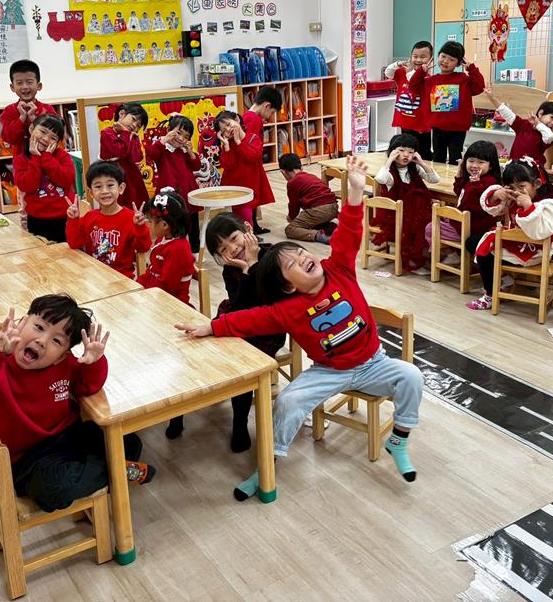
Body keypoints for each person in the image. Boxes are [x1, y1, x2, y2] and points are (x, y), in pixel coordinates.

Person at [176, 157, 425, 499]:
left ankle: (398, 441)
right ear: (288, 285)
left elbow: (350, 230)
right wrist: (210, 327)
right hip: (328, 371)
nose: (303, 258)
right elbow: (246, 319)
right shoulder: (286, 309)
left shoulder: (338, 269)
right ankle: (267, 467)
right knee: (287, 401)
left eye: (300, 253)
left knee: (412, 376)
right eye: (292, 264)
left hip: (372, 363)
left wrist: (355, 190)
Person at [0, 294, 155, 513]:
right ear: (22, 323)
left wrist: (94, 363)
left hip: (70, 436)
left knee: (129, 440)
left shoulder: (62, 364)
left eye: (57, 341)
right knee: (56, 489)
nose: (42, 341)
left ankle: (104, 469)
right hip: (29, 460)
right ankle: (116, 469)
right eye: (39, 327)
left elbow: (87, 386)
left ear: (62, 356)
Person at [203, 213, 287, 453]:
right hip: (242, 322)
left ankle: (238, 422)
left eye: (233, 238)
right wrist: (245, 270)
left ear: (248, 228)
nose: (233, 248)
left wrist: (252, 267)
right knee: (212, 346)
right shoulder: (230, 270)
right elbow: (240, 308)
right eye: (223, 248)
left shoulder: (274, 256)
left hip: (270, 328)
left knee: (243, 363)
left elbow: (272, 303)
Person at [466, 157, 553, 311]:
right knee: (473, 242)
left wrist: (528, 207)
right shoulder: (513, 197)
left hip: (536, 251)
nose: (516, 191)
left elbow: (540, 232)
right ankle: (504, 279)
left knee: (486, 252)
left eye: (522, 186)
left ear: (537, 184)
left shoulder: (549, 204)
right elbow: (493, 210)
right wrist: (496, 194)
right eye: (512, 187)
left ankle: (491, 294)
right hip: (515, 245)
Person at [138, 188, 197, 439]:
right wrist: (136, 286)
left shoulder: (179, 248)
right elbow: (151, 273)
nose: (148, 225)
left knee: (173, 364)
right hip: (157, 304)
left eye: (150, 222)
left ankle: (177, 413)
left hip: (174, 310)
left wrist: (144, 294)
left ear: (164, 225)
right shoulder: (163, 242)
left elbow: (167, 285)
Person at [65, 162, 151, 279]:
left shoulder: (131, 218)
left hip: (121, 279)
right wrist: (73, 220)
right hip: (93, 276)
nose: (104, 191)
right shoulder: (89, 217)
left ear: (121, 188)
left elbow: (143, 247)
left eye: (110, 185)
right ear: (91, 192)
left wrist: (140, 227)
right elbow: (74, 244)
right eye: (98, 187)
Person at [424, 140, 501, 267]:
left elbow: (474, 203)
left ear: (491, 165)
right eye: (471, 161)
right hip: (464, 224)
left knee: (430, 227)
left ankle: (452, 255)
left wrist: (475, 184)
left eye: (480, 162)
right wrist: (460, 172)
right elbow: (460, 192)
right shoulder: (475, 179)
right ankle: (452, 254)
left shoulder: (488, 182)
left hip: (472, 229)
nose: (474, 165)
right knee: (438, 219)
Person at [372, 133, 440, 275]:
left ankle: (425, 256)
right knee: (418, 225)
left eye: (410, 152)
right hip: (396, 216)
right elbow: (380, 179)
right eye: (401, 150)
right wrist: (389, 160)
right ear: (393, 151)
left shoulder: (414, 168)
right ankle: (413, 261)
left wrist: (421, 162)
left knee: (434, 221)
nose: (406, 155)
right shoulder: (390, 173)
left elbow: (435, 179)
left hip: (417, 212)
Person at [410, 40, 484, 165]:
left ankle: (456, 178)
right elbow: (413, 87)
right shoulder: (430, 81)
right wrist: (421, 71)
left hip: (458, 129)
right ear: (438, 56)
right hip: (438, 128)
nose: (445, 61)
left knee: (456, 158)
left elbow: (479, 87)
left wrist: (471, 69)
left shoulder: (463, 79)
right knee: (438, 158)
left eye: (451, 59)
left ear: (459, 63)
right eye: (443, 56)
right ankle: (438, 178)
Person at [13, 115, 75, 243]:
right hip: (37, 218)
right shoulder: (21, 159)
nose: (46, 139)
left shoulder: (62, 156)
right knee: (40, 253)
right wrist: (36, 158)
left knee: (68, 252)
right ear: (31, 128)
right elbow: (27, 186)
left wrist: (47, 158)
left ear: (58, 143)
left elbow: (67, 180)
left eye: (53, 138)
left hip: (65, 216)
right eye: (42, 131)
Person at [144, 114, 201, 252]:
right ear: (169, 130)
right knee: (172, 224)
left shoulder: (184, 151)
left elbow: (196, 166)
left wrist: (191, 152)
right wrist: (164, 140)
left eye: (186, 136)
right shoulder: (162, 149)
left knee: (193, 225)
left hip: (188, 192)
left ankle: (195, 251)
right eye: (178, 133)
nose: (181, 138)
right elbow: (151, 153)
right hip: (169, 194)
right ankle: (171, 249)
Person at [480, 86, 553, 165]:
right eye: (552, 117)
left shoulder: (546, 135)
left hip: (531, 171)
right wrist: (491, 97)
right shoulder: (523, 125)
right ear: (540, 113)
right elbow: (506, 112)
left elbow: (550, 136)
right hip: (515, 167)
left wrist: (538, 124)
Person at [214, 110, 267, 229]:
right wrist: (226, 146)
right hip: (234, 189)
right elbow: (228, 165)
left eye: (229, 124)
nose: (228, 130)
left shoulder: (253, 138)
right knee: (241, 220)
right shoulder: (228, 144)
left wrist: (238, 142)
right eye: (224, 130)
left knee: (247, 220)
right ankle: (246, 236)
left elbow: (252, 157)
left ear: (237, 119)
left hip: (250, 186)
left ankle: (249, 236)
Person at [241, 87, 282, 234]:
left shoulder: (247, 116)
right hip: (251, 164)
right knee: (251, 196)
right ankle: (252, 228)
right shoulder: (254, 119)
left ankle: (254, 226)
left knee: (253, 195)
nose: (270, 116)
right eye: (272, 112)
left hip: (251, 162)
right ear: (266, 105)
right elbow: (251, 144)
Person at [386, 41, 434, 158]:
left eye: (423, 57)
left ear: (430, 59)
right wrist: (398, 64)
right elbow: (388, 73)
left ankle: (424, 167)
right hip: (405, 122)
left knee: (423, 152)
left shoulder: (428, 79)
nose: (418, 60)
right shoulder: (402, 74)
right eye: (415, 56)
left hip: (421, 124)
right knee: (407, 151)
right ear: (410, 57)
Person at [279, 153, 339, 244]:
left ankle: (320, 236)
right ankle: (332, 228)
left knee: (290, 229)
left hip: (319, 210)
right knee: (312, 223)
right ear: (301, 167)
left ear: (283, 172)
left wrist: (290, 217)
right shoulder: (310, 176)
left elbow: (294, 205)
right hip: (333, 207)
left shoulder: (292, 182)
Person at [0, 60, 56, 152]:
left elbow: (55, 136)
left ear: (39, 86)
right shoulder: (9, 110)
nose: (25, 87)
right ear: (12, 87)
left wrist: (34, 119)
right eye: (19, 83)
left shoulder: (47, 109)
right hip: (20, 160)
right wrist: (21, 118)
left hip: (45, 158)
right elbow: (9, 139)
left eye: (29, 82)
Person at [100, 102, 149, 209]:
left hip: (132, 177)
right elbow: (120, 151)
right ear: (121, 114)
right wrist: (126, 133)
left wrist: (130, 136)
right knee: (117, 206)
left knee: (136, 205)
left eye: (138, 125)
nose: (135, 125)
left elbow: (137, 157)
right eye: (133, 119)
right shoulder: (107, 133)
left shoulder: (133, 136)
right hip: (113, 176)